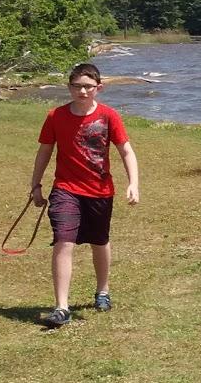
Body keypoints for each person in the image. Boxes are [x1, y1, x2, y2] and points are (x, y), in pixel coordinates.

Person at [27, 62, 140, 328]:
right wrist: (35, 185)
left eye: (88, 86)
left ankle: (102, 291)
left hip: (100, 190)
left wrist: (133, 183)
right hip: (66, 189)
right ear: (69, 87)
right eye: (77, 86)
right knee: (63, 241)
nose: (82, 91)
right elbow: (44, 152)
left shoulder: (109, 116)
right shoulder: (55, 116)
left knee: (99, 241)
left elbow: (126, 150)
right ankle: (62, 307)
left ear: (99, 88)